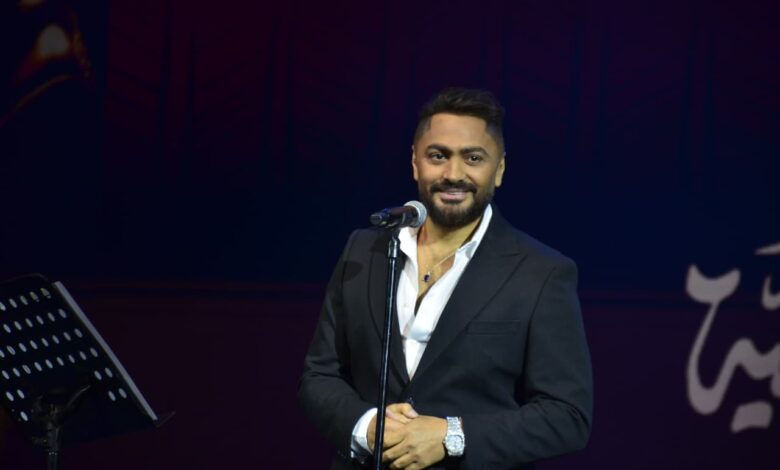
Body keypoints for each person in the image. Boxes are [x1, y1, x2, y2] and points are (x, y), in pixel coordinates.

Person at [298, 88, 593, 470]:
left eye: (473, 158)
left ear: (499, 169)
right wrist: (367, 426)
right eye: (438, 156)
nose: (453, 175)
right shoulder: (364, 251)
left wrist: (452, 435)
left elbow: (567, 416)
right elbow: (319, 375)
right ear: (415, 162)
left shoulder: (541, 272)